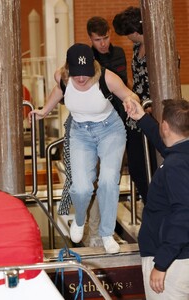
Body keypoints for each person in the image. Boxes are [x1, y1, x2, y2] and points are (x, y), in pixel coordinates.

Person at [29, 43, 139, 254]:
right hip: (80, 133)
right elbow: (58, 92)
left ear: (93, 67)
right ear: (69, 69)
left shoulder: (107, 78)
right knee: (81, 187)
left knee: (108, 180)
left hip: (111, 131)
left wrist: (132, 101)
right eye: (77, 74)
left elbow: (129, 94)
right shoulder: (61, 77)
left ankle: (106, 234)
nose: (81, 79)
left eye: (86, 74)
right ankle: (80, 220)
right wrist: (44, 110)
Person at [128, 98, 189, 299]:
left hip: (172, 265)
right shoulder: (181, 156)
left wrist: (161, 263)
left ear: (165, 126)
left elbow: (184, 214)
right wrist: (142, 118)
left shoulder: (175, 166)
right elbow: (170, 149)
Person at [85, 16, 128, 247]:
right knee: (93, 182)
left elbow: (123, 88)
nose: (103, 43)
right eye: (97, 39)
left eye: (106, 38)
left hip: (116, 126)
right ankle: (94, 233)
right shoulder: (86, 58)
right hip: (93, 127)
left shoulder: (119, 53)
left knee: (110, 181)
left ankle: (103, 231)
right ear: (90, 38)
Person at [113, 6, 157, 204]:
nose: (128, 38)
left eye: (128, 34)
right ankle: (148, 200)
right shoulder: (135, 48)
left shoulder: (157, 46)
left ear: (135, 30)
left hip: (151, 111)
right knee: (136, 165)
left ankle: (155, 202)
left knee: (153, 162)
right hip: (136, 110)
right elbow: (136, 79)